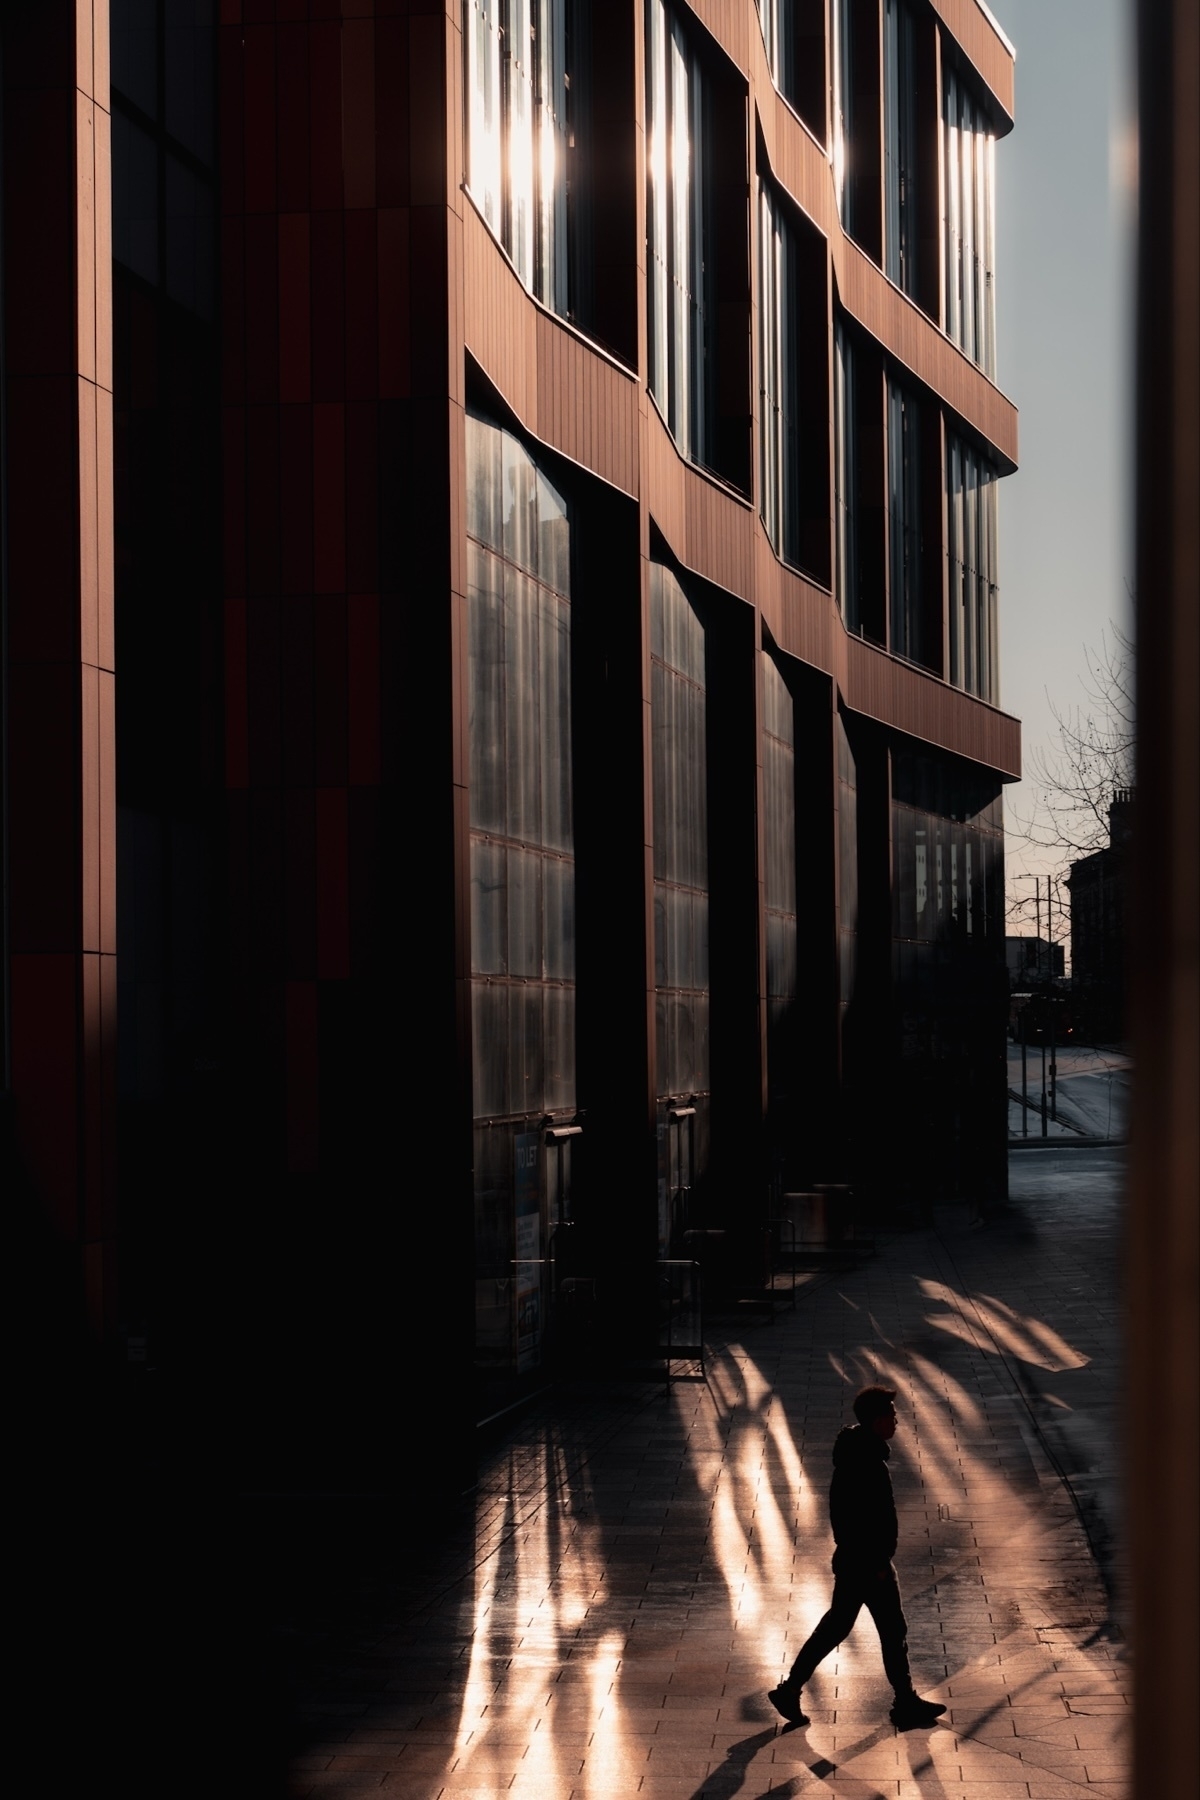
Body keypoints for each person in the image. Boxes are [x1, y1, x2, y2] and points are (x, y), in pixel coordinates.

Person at [768, 1383, 947, 1730]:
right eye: (892, 1416)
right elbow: (856, 1519)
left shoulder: (860, 1454)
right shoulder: (865, 1463)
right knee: (891, 1631)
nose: (896, 1421)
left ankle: (790, 1690)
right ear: (877, 1420)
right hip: (869, 1564)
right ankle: (904, 1702)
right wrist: (878, 1563)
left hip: (857, 1561)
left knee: (837, 1627)